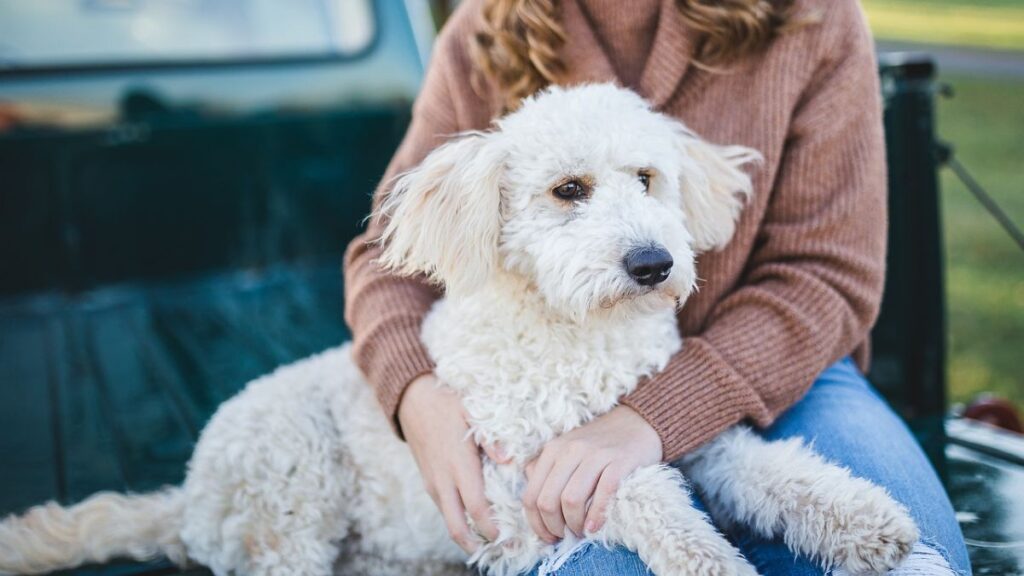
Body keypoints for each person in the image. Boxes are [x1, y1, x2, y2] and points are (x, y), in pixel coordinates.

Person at [343, 0, 970, 574]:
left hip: (782, 368)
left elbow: (828, 274)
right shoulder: (487, 26)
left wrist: (656, 414)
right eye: (569, 191)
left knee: (912, 562)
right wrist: (416, 395)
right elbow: (386, 255)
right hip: (547, 378)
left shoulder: (813, 18)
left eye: (645, 178)